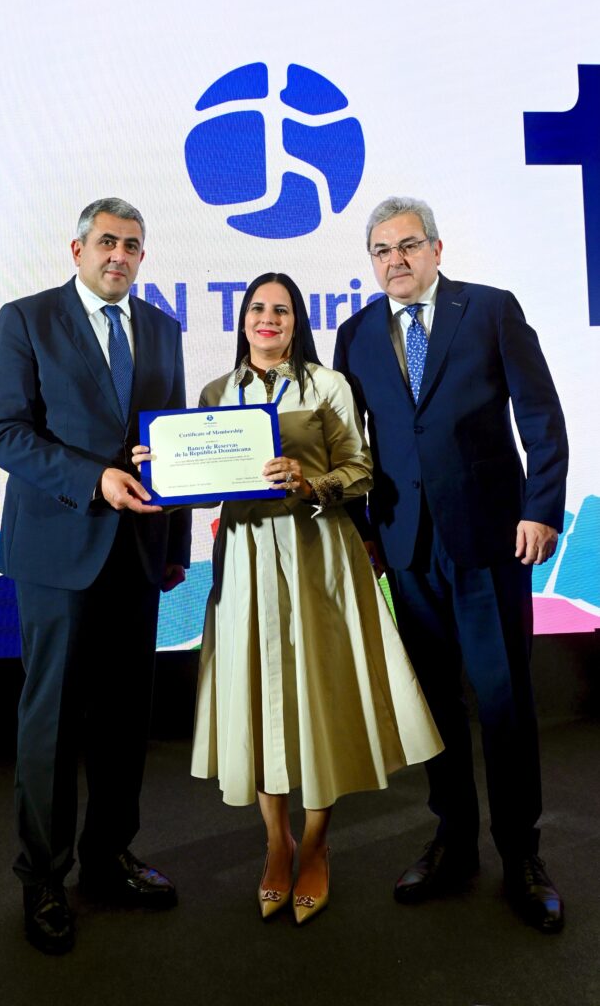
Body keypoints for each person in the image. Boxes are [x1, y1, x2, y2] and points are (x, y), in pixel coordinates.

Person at [135, 272, 442, 925]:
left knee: (318, 700)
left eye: (280, 310)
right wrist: (160, 468)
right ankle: (276, 848)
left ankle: (316, 845)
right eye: (256, 309)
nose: (267, 319)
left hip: (318, 555)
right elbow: (201, 481)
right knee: (258, 701)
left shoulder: (328, 386)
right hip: (245, 559)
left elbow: (359, 470)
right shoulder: (217, 394)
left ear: (296, 320)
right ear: (242, 320)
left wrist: (311, 480)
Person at [333, 196, 568, 933]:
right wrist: (364, 532)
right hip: (405, 546)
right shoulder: (356, 333)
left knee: (503, 702)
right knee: (435, 705)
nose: (394, 261)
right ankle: (454, 841)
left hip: (493, 537)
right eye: (380, 251)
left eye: (407, 246)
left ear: (436, 249)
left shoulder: (491, 311)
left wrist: (541, 508)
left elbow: (541, 416)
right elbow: (354, 444)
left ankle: (521, 852)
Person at [0, 197, 192, 954]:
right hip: (56, 556)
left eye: (133, 246)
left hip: (137, 555)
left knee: (125, 720)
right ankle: (42, 877)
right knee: (52, 724)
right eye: (107, 242)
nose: (120, 256)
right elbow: (1, 432)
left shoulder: (164, 329)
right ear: (77, 249)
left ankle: (108, 859)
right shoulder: (26, 319)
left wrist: (177, 548)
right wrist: (92, 478)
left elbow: (170, 446)